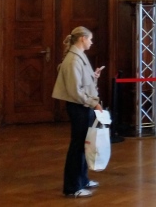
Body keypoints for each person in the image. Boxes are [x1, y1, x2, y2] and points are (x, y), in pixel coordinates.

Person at [52, 26, 104, 198]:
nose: (92, 42)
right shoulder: (73, 59)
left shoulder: (79, 56)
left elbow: (81, 82)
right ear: (82, 38)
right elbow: (75, 91)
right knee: (78, 146)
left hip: (83, 106)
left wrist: (93, 77)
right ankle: (72, 187)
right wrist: (94, 104)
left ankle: (82, 180)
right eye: (90, 39)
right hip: (79, 107)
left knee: (84, 145)